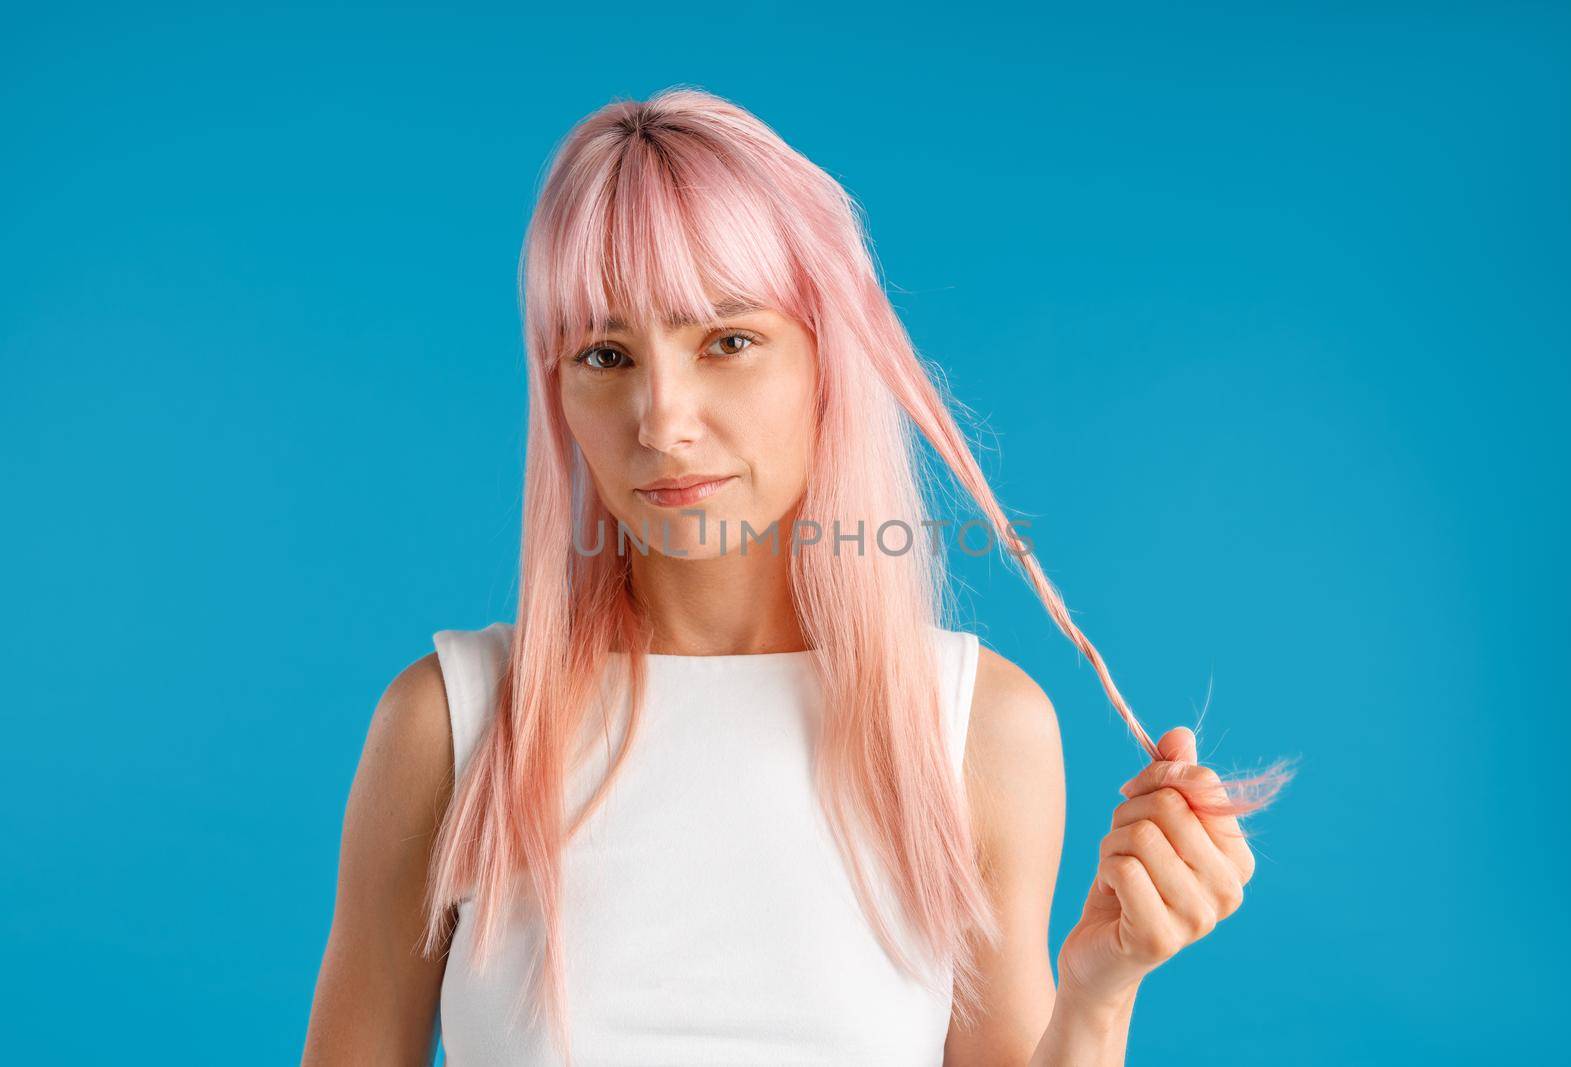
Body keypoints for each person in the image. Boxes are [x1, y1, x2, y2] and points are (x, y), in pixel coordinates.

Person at [302, 87, 1291, 1067]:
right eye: (604, 353)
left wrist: (1101, 990)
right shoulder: (449, 727)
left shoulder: (977, 731)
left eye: (727, 341)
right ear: (555, 389)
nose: (661, 417)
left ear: (829, 360)